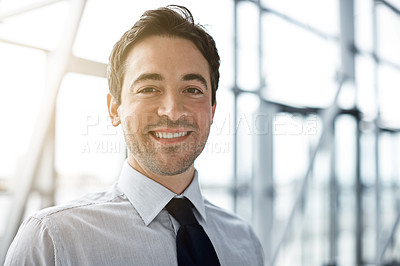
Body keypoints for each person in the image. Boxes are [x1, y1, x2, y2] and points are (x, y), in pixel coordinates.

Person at [5, 5, 264, 265]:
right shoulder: (53, 242)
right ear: (115, 109)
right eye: (149, 88)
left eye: (192, 90)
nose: (172, 111)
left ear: (212, 109)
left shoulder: (244, 242)